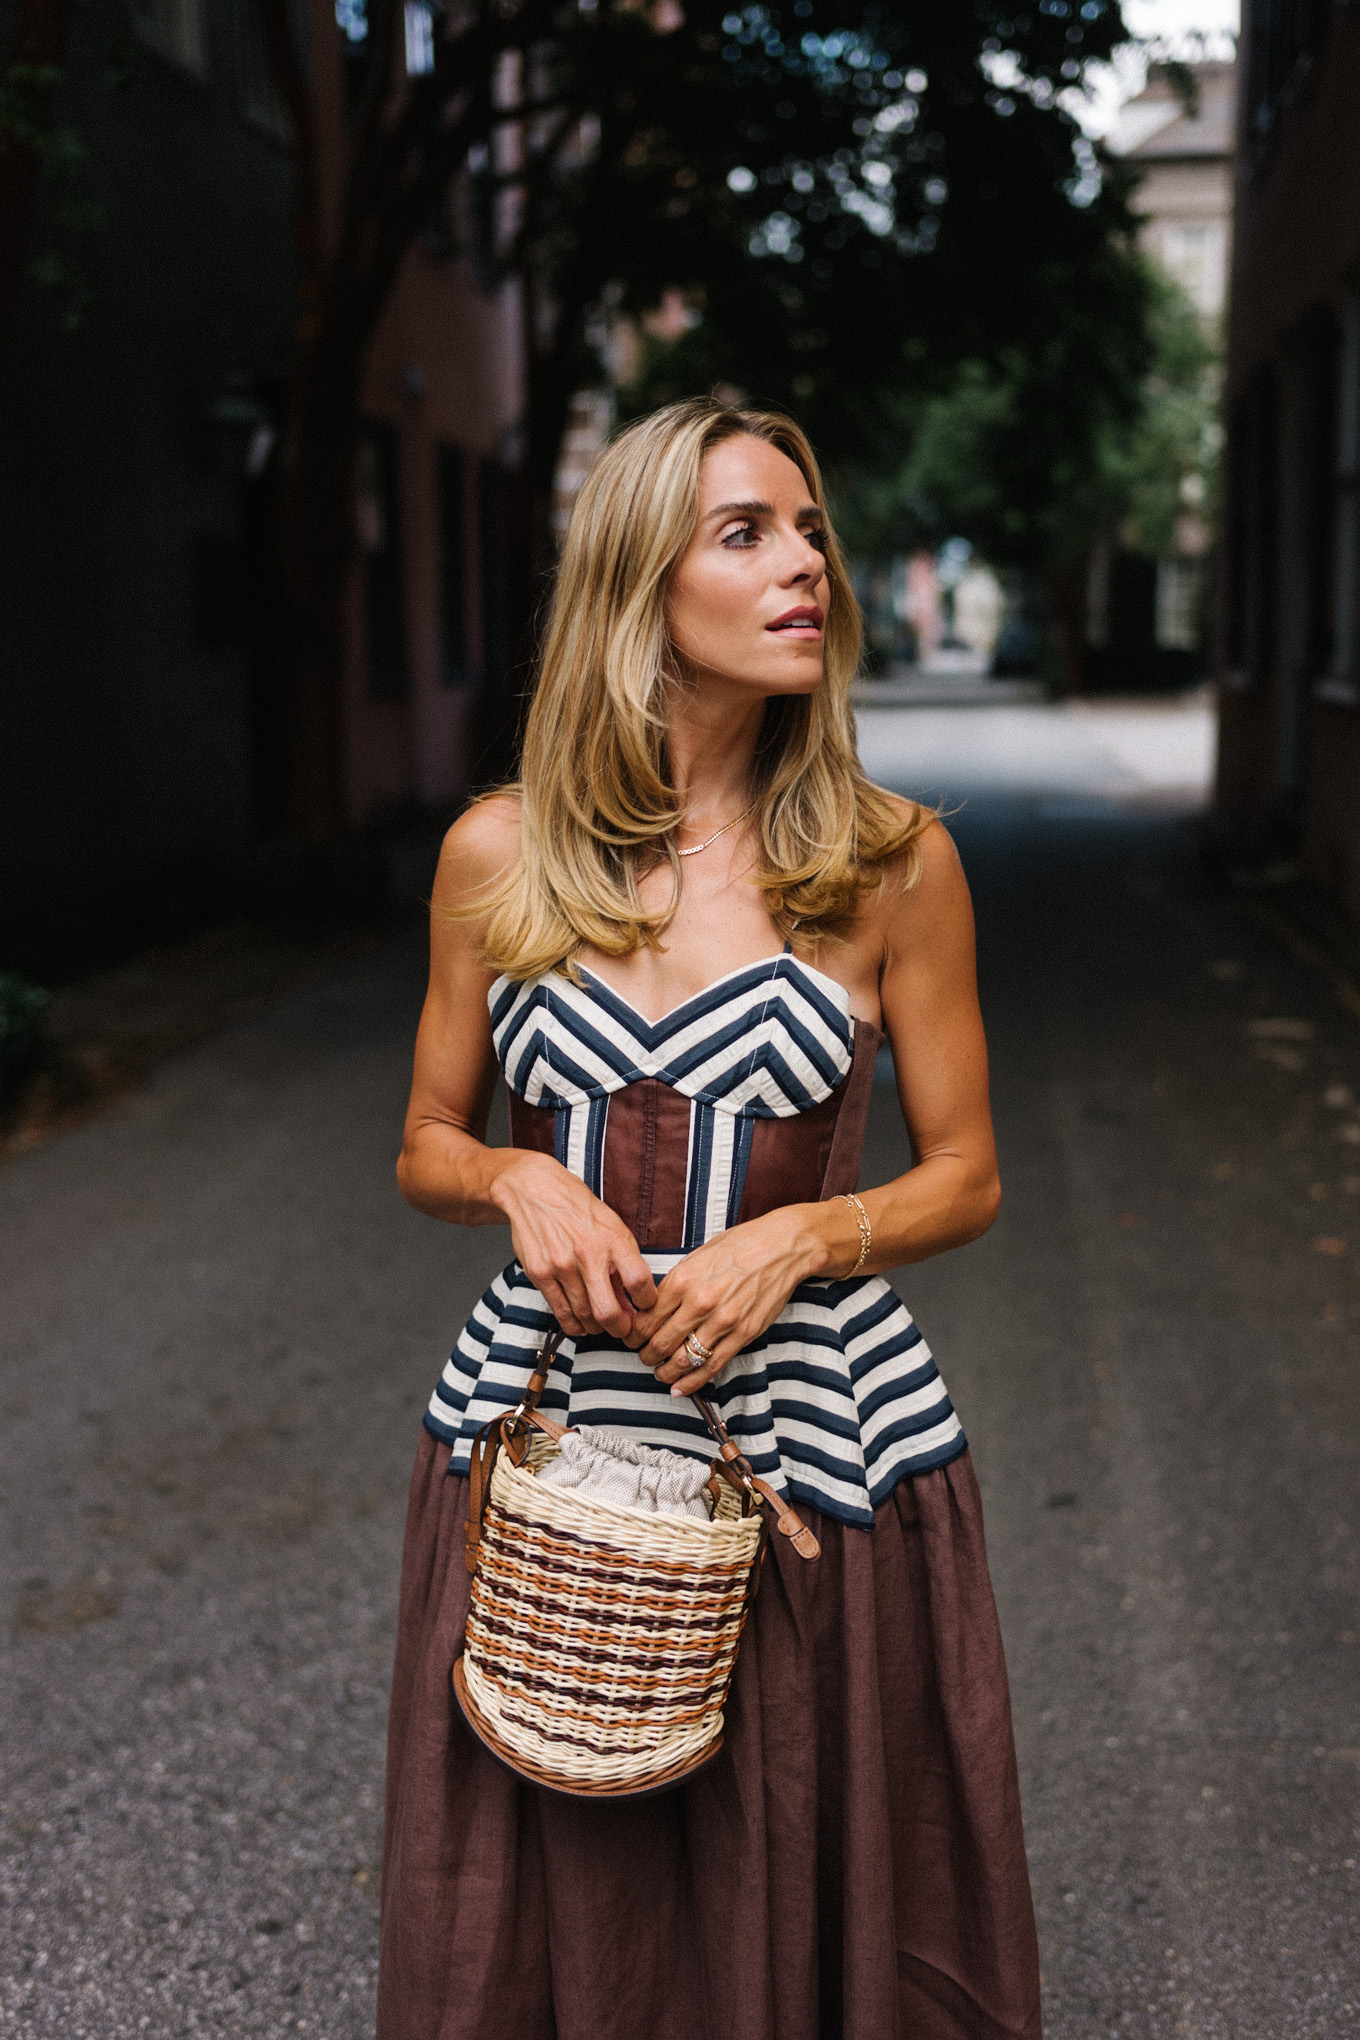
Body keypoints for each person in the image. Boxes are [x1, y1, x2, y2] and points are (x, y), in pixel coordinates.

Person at [378, 397, 1041, 2040]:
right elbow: (426, 1141)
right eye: (747, 532)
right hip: (547, 1452)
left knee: (810, 1895)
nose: (806, 562)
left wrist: (806, 1236)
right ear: (638, 586)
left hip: (818, 1451)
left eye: (810, 527)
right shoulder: (498, 856)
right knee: (544, 1910)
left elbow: (967, 1174)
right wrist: (521, 1176)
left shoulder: (892, 866)